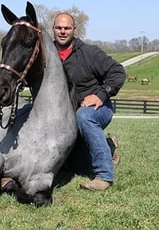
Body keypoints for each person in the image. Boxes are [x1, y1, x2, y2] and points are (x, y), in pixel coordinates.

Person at [53, 13, 126, 191]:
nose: (63, 32)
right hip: (65, 116)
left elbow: (118, 72)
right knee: (76, 164)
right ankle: (108, 148)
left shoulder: (89, 53)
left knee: (83, 116)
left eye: (67, 28)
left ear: (74, 30)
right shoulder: (47, 55)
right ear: (53, 29)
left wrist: (101, 95)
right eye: (59, 28)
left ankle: (104, 176)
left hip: (96, 109)